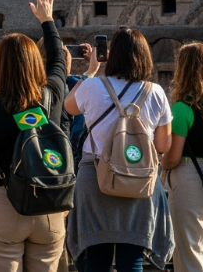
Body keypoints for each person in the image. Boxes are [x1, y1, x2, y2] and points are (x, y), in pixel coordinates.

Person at [0, 0, 67, 272]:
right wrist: (47, 22)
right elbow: (58, 60)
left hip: (2, 201)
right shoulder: (52, 96)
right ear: (37, 65)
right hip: (48, 201)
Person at [64, 27, 174, 272]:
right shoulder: (155, 92)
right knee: (132, 257)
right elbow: (163, 146)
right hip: (139, 180)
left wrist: (91, 71)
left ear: (111, 56)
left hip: (95, 177)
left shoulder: (91, 87)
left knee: (96, 258)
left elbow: (68, 107)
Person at [161, 42, 203, 272]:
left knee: (189, 254)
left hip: (190, 180)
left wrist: (160, 165)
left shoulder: (182, 108)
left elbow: (173, 157)